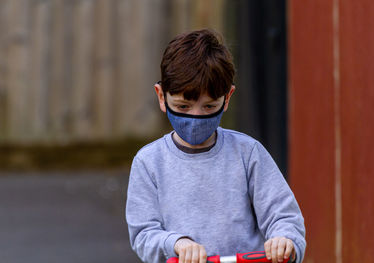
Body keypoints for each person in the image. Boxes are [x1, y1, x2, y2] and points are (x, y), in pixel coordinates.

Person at [126, 29, 306, 263]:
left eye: (209, 107)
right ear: (161, 96)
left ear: (227, 97)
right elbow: (143, 234)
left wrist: (285, 240)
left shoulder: (247, 153)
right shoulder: (149, 162)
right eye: (182, 107)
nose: (195, 117)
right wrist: (177, 243)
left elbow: (284, 216)